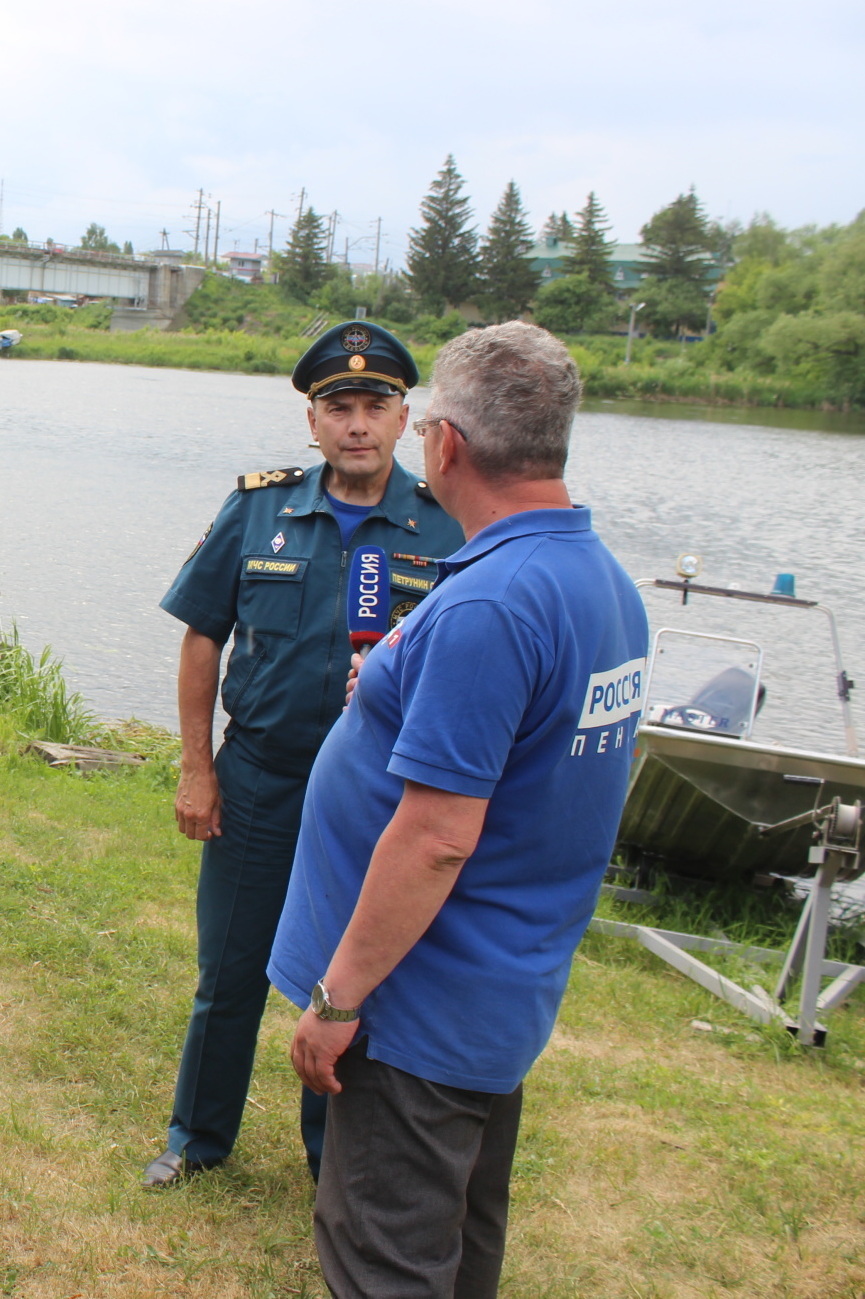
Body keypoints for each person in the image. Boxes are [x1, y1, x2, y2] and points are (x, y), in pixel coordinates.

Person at [269, 322, 649, 1298]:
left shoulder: (493, 603)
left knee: (385, 1266)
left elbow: (437, 837)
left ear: (443, 444)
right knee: (456, 1255)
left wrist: (336, 998)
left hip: (415, 1013)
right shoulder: (595, 579)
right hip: (492, 1000)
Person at [147, 320, 463, 1187]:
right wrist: (197, 767)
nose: (357, 423)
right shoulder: (260, 508)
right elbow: (204, 636)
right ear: (313, 422)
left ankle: (338, 1159)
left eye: (376, 405)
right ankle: (195, 1139)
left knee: (350, 979)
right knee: (231, 970)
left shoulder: (445, 529)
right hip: (259, 780)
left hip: (378, 798)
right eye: (339, 407)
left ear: (407, 420)